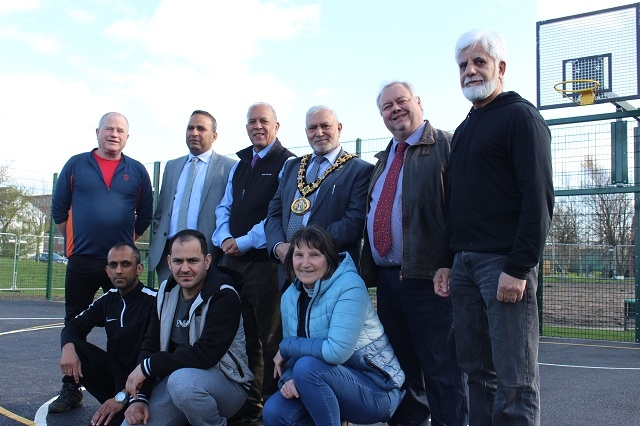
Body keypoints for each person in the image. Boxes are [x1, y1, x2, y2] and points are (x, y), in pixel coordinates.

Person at [434, 30, 554, 426]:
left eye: (479, 62)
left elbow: (538, 200)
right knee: (477, 374)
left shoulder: (520, 117)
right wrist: (449, 260)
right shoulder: (465, 128)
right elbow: (457, 207)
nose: (469, 71)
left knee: (515, 379)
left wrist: (518, 268)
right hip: (465, 266)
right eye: (463, 65)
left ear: (500, 68)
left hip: (503, 265)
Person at [359, 81, 467, 426]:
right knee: (402, 373)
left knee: (443, 372)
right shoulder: (383, 157)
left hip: (432, 281)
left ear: (418, 101)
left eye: (401, 101)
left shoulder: (447, 145)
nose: (395, 109)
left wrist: (449, 263)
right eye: (386, 106)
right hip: (389, 282)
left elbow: (462, 212)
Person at [49, 112, 153, 414]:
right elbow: (59, 210)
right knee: (74, 321)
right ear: (97, 132)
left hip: (119, 261)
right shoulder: (76, 164)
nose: (114, 134)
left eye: (120, 130)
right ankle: (71, 389)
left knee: (126, 324)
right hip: (82, 259)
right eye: (109, 128)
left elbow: (145, 214)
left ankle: (130, 388)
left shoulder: (136, 171)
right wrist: (75, 241)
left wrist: (123, 244)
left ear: (127, 137)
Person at [262, 225, 405, 426]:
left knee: (307, 368)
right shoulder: (289, 297)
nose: (305, 263)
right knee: (275, 411)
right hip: (320, 382)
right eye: (299, 255)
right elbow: (295, 357)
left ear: (329, 259)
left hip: (377, 389)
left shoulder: (350, 285)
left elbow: (336, 352)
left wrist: (286, 346)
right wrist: (287, 380)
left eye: (314, 255)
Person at [212, 102, 295, 425]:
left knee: (269, 335)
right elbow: (225, 207)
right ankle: (251, 403)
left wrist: (243, 242)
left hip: (262, 264)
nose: (257, 126)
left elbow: (277, 214)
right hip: (231, 263)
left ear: (276, 126)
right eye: (252, 122)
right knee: (244, 336)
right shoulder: (240, 162)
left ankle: (274, 405)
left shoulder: (286, 163)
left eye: (264, 121)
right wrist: (223, 239)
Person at [123, 229, 253, 426]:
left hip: (228, 383)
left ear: (207, 261)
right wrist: (139, 398)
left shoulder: (224, 295)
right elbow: (150, 343)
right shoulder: (166, 291)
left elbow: (206, 354)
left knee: (182, 383)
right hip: (177, 381)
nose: (185, 268)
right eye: (178, 261)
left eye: (193, 260)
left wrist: (149, 366)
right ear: (169, 262)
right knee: (134, 423)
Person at [265, 106, 373, 290]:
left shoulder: (360, 170)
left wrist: (304, 250)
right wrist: (278, 246)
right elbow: (273, 215)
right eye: (312, 128)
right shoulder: (292, 167)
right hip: (288, 272)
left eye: (325, 126)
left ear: (339, 128)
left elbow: (354, 222)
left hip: (332, 272)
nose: (319, 133)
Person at [57, 242, 157, 426]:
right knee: (76, 346)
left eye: (126, 264)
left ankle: (123, 404)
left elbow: (154, 355)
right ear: (107, 270)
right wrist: (68, 347)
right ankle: (115, 403)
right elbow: (74, 325)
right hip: (117, 377)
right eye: (113, 265)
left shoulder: (154, 300)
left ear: (139, 268)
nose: (119, 270)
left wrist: (122, 397)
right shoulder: (108, 300)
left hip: (146, 380)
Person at [148, 110, 236, 283]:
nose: (194, 133)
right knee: (168, 307)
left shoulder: (230, 167)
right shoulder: (172, 167)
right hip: (170, 257)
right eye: (190, 128)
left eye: (201, 128)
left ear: (214, 136)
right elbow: (161, 212)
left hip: (207, 256)